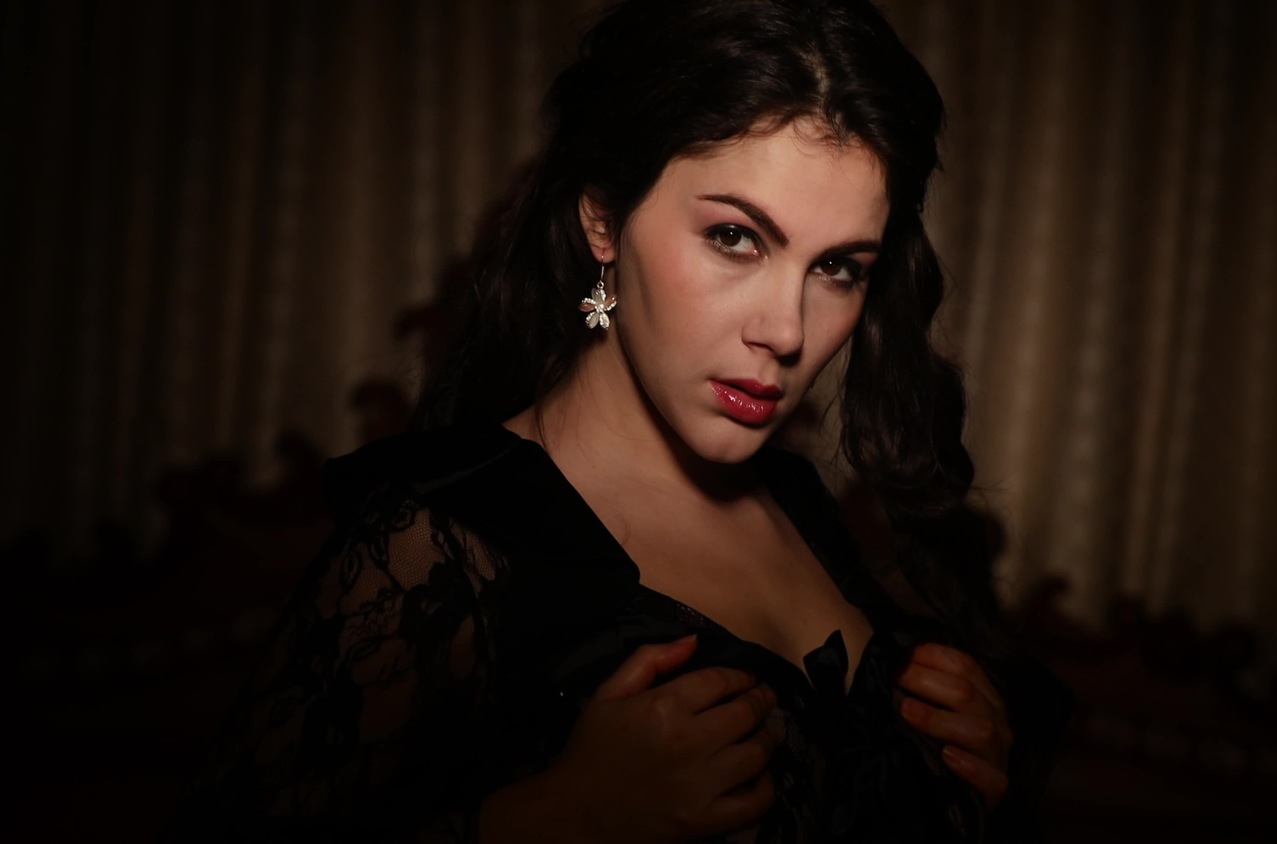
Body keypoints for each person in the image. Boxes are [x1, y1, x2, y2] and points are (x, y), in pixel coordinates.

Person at [170, 0, 1072, 841]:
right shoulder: (435, 544)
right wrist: (550, 820)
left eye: (838, 268)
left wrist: (960, 771)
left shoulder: (803, 507)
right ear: (602, 219)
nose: (787, 331)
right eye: (735, 237)